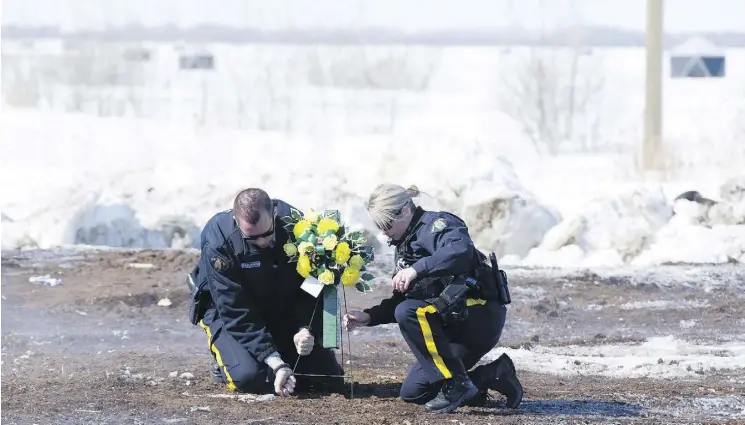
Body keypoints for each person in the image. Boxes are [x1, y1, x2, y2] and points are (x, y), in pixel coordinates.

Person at [343, 184, 523, 414]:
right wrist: (369, 316)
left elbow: (460, 251)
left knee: (408, 312)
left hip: (476, 316)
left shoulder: (437, 226)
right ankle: (493, 374)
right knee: (414, 392)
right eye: (379, 226)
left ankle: (458, 383)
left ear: (405, 211)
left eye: (386, 224)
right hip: (449, 323)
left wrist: (417, 269)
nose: (384, 232)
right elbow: (405, 300)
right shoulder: (405, 243)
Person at [187, 188, 342, 396]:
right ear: (236, 221)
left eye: (267, 234)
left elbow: (310, 286)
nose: (261, 242)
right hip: (227, 312)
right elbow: (234, 309)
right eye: (252, 238)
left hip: (277, 301)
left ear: (274, 214)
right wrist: (276, 362)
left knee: (327, 379)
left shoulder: (298, 228)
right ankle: (224, 358)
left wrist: (305, 328)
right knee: (250, 379)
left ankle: (278, 347)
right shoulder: (219, 240)